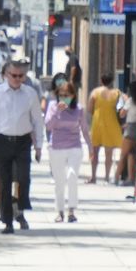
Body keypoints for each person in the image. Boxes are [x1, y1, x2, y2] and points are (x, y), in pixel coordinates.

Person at [0, 57, 45, 234]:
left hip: (23, 141)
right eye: (14, 75)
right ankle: (7, 221)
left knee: (24, 177)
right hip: (2, 140)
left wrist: (39, 145)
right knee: (4, 181)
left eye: (20, 76)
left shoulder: (30, 94)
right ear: (6, 75)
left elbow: (37, 121)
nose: (17, 79)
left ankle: (20, 203)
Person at [43, 78, 89, 223]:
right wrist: (58, 111)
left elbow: (85, 129)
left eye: (67, 95)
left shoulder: (79, 109)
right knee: (59, 180)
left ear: (73, 95)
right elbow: (48, 126)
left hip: (74, 146)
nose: (64, 98)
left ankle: (71, 210)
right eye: (61, 95)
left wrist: (91, 147)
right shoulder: (52, 106)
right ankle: (60, 211)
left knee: (72, 175)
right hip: (56, 147)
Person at [87, 74, 124, 185]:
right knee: (109, 153)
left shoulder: (95, 92)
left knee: (95, 152)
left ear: (101, 80)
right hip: (111, 123)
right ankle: (107, 178)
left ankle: (93, 177)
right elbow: (123, 105)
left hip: (98, 122)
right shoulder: (117, 93)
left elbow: (89, 108)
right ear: (112, 81)